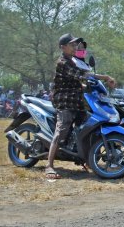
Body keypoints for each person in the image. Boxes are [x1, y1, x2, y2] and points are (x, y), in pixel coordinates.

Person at [46, 34, 115, 180]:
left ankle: (84, 159)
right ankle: (49, 165)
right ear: (63, 47)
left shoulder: (73, 61)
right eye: (71, 45)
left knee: (85, 128)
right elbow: (83, 75)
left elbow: (81, 76)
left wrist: (87, 84)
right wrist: (105, 77)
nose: (74, 47)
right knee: (61, 130)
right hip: (64, 101)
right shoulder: (63, 62)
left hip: (77, 101)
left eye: (75, 45)